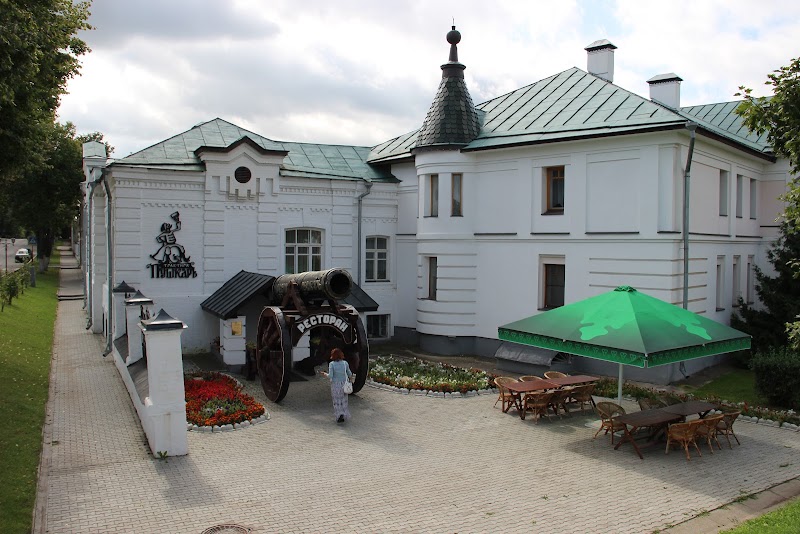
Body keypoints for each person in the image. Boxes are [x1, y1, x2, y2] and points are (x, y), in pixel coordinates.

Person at [320, 348, 353, 423]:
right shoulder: (345, 363)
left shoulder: (332, 364)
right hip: (344, 384)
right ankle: (344, 414)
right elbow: (349, 373)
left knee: (336, 400)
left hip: (335, 384)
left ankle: (339, 414)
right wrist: (350, 380)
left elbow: (330, 376)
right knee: (343, 400)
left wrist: (324, 374)